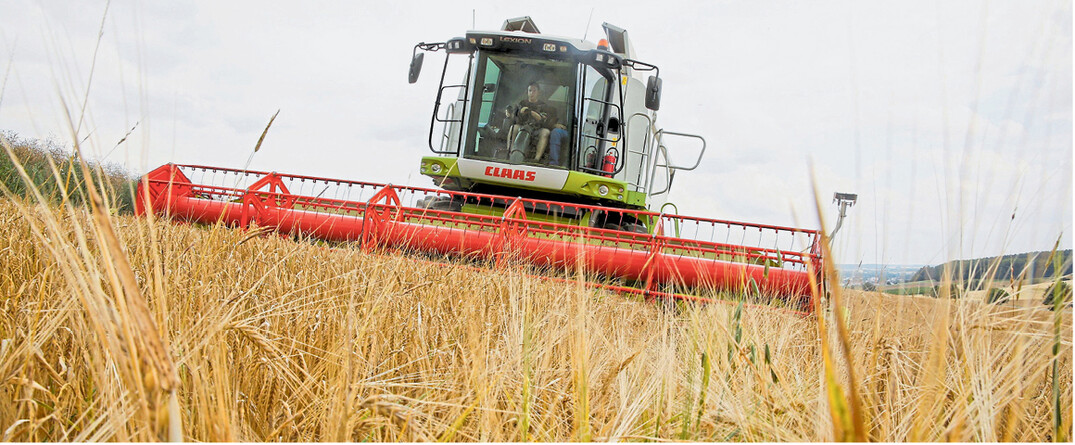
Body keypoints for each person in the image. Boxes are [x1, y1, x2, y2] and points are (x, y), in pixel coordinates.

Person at [505, 82, 561, 163]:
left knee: (546, 132)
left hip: (536, 130)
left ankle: (536, 159)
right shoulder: (522, 103)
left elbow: (543, 120)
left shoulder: (543, 106)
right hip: (523, 127)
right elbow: (516, 118)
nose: (532, 93)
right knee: (513, 128)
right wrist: (518, 113)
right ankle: (510, 153)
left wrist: (531, 112)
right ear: (527, 92)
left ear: (538, 92)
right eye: (530, 90)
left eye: (534, 91)